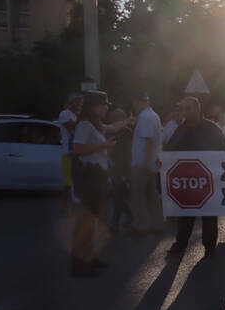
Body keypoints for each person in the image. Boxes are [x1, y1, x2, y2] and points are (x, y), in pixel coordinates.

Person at [70, 91, 133, 276]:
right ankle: (80, 266)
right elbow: (77, 149)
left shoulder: (95, 125)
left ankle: (91, 259)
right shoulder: (84, 125)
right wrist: (104, 146)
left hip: (97, 176)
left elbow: (112, 127)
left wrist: (128, 122)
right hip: (88, 177)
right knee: (85, 223)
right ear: (93, 106)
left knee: (94, 221)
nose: (106, 107)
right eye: (104, 105)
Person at [165, 97, 225, 256]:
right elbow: (170, 151)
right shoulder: (180, 129)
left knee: (209, 216)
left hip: (208, 181)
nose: (185, 112)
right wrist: (162, 160)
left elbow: (224, 146)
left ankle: (210, 247)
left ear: (198, 109)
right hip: (187, 181)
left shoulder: (211, 128)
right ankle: (180, 245)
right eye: (183, 109)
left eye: (188, 108)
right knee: (185, 215)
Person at [129, 92, 164, 235]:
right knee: (151, 195)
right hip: (150, 163)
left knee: (138, 195)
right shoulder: (152, 115)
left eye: (134, 103)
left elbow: (149, 141)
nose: (134, 106)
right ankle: (157, 224)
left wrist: (144, 163)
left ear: (139, 102)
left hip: (142, 164)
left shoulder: (146, 117)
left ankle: (140, 225)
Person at [107, 108, 134, 233]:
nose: (114, 119)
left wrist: (128, 171)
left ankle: (115, 223)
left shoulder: (126, 132)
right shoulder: (113, 131)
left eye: (116, 117)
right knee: (118, 195)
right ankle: (130, 217)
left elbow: (129, 151)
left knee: (117, 195)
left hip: (121, 168)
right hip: (114, 167)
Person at [58, 93, 83, 212]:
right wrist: (82, 116)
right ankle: (63, 206)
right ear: (72, 102)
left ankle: (74, 206)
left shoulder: (77, 114)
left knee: (76, 181)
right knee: (68, 181)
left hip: (76, 150)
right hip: (68, 151)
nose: (80, 103)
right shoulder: (65, 113)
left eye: (81, 101)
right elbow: (72, 128)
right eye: (77, 101)